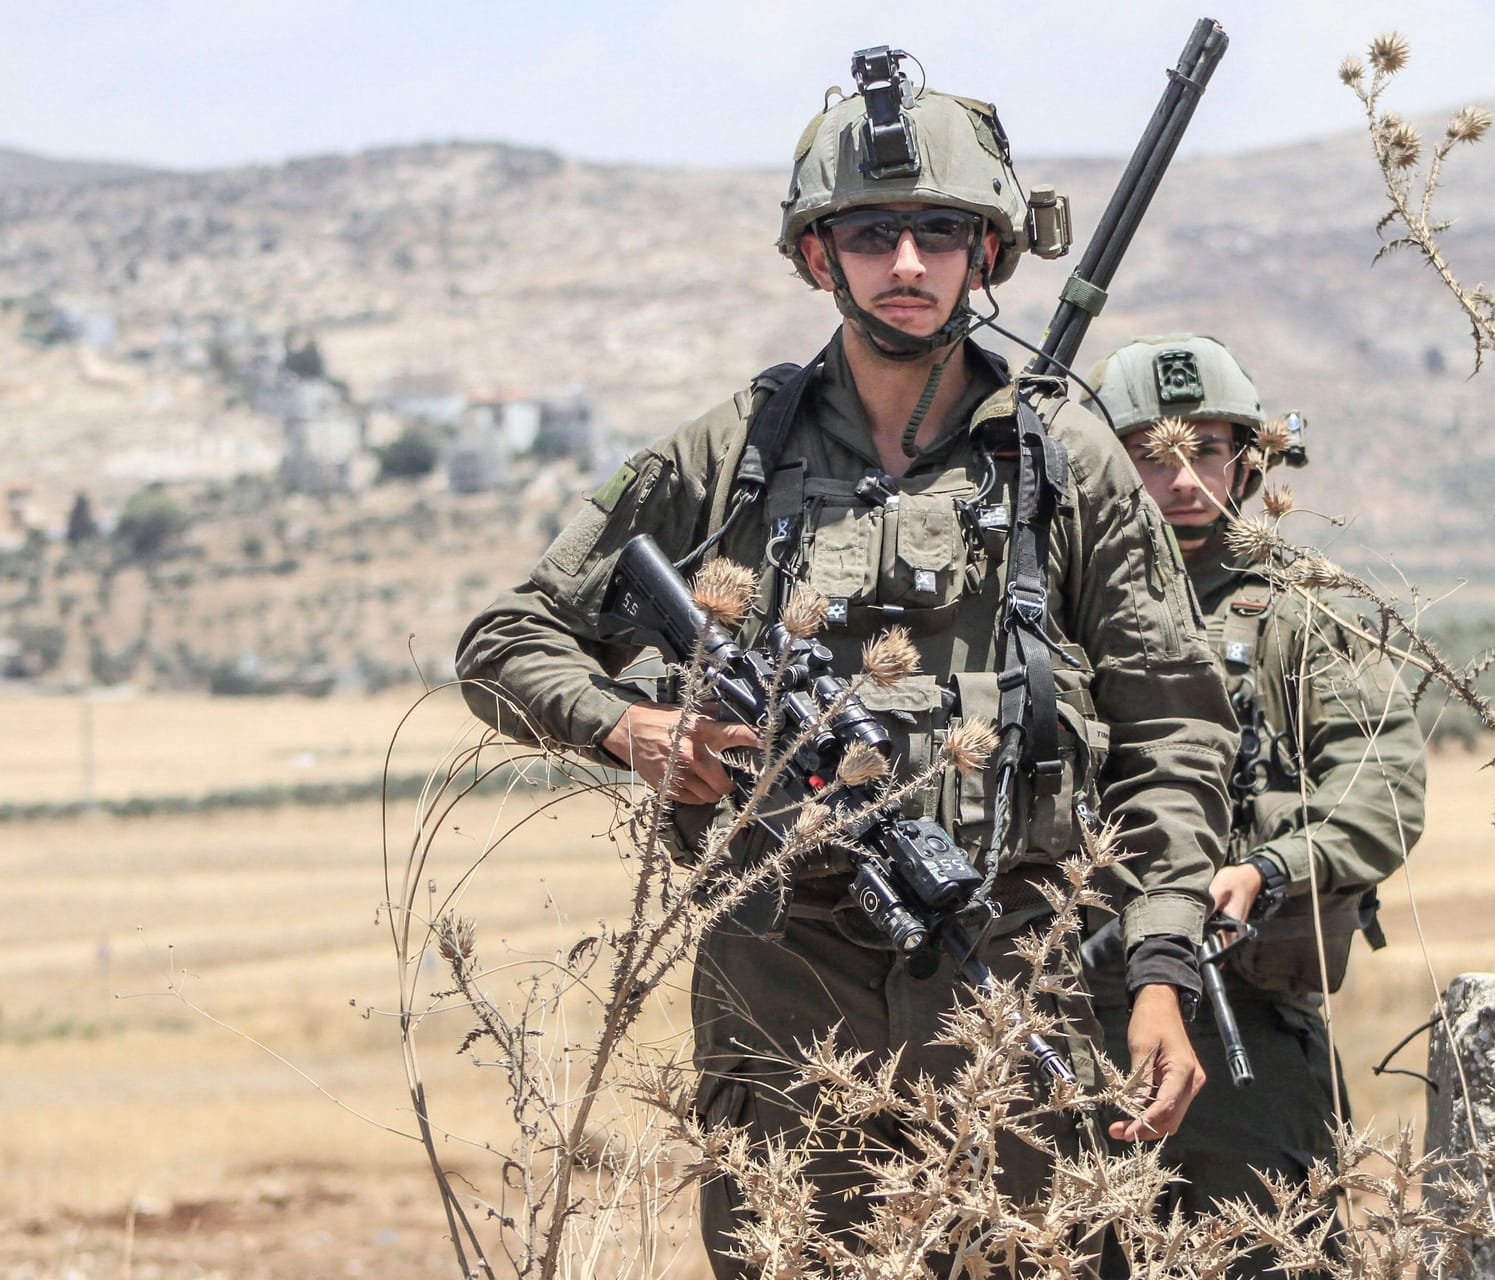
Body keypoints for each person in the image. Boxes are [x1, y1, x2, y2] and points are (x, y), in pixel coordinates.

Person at [454, 54, 1237, 1278]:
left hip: (1015, 977)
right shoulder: (731, 455)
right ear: (819, 255)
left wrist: (1161, 967)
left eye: (942, 231)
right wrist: (632, 730)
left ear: (990, 252)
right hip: (783, 989)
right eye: (872, 232)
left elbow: (1177, 734)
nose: (909, 264)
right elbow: (506, 642)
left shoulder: (1067, 462)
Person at [1080, 335, 1427, 1276]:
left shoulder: (1303, 613)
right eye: (1152, 455)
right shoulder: (1052, 602)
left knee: (1267, 1251)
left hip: (1246, 1018)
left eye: (1208, 450)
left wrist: (1271, 866)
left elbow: (1383, 788)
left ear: (1253, 459)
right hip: (1074, 1007)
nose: (1181, 478)